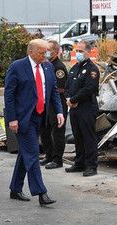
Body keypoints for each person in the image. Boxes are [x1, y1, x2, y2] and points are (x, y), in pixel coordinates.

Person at [4, 39, 65, 206]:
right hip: (24, 119)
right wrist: (12, 118)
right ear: (31, 52)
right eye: (41, 52)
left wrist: (59, 111)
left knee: (25, 154)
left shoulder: (48, 67)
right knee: (32, 154)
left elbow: (52, 91)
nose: (45, 55)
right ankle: (41, 193)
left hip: (41, 116)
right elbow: (9, 96)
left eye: (46, 52)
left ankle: (15, 188)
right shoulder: (17, 67)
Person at [64, 40, 100, 177]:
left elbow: (89, 89)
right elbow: (67, 87)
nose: (78, 53)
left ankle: (91, 165)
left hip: (86, 107)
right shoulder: (74, 68)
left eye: (80, 51)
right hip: (74, 108)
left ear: (88, 52)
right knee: (77, 136)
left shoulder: (92, 69)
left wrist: (74, 100)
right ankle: (79, 163)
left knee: (88, 137)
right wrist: (69, 99)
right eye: (76, 51)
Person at [39, 40, 68, 169]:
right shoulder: (45, 65)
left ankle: (57, 159)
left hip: (57, 103)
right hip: (46, 103)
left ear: (55, 52)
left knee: (57, 132)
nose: (46, 53)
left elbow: (61, 89)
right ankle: (48, 155)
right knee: (45, 131)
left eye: (48, 50)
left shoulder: (59, 68)